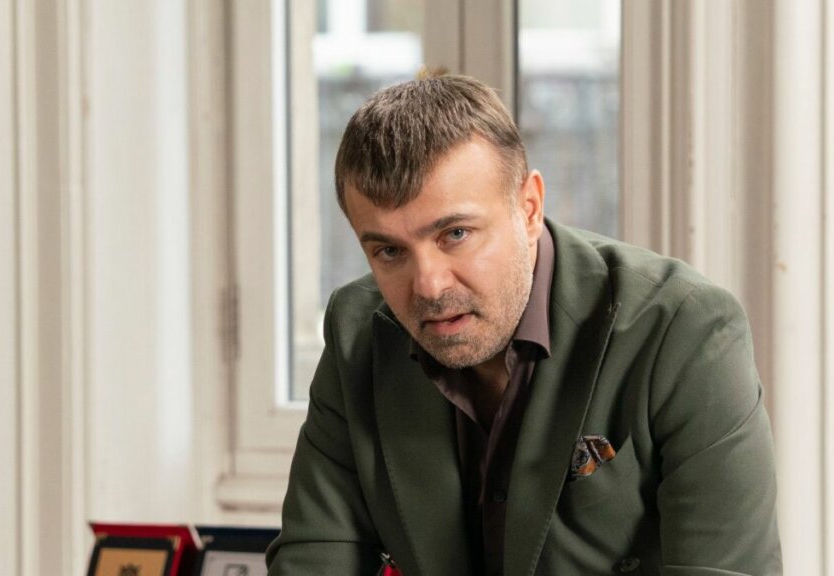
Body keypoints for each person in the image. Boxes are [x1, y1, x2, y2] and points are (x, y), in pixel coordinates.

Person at [266, 74, 782, 576]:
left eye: (455, 234)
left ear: (529, 208)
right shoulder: (357, 332)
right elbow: (313, 557)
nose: (428, 285)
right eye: (389, 251)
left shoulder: (684, 329)